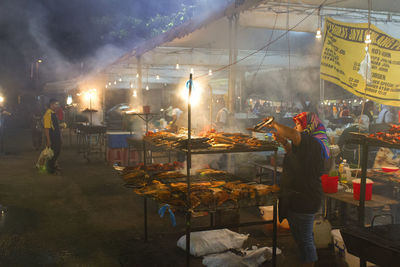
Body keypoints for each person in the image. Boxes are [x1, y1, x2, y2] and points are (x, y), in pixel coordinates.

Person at [264, 112, 329, 267]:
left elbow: (293, 134)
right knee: (301, 238)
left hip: (305, 197)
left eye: (298, 124)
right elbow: (297, 159)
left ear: (307, 126)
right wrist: (285, 144)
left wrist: (274, 124)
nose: (295, 127)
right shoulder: (309, 143)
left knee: (305, 239)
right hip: (299, 196)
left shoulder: (312, 142)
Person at [43, 98, 62, 174]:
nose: (57, 106)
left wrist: (61, 126)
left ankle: (53, 166)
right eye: (56, 104)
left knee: (56, 151)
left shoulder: (53, 113)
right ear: (51, 105)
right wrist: (48, 140)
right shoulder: (48, 114)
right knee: (53, 153)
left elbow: (54, 125)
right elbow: (46, 128)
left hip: (56, 136)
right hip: (52, 137)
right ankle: (51, 169)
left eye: (57, 104)